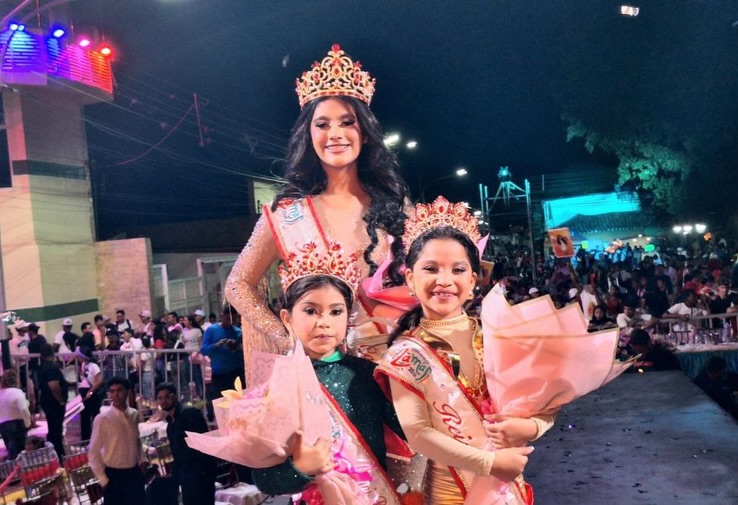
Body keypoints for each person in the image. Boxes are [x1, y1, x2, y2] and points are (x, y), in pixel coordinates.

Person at [224, 44, 411, 366]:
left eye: (347, 122)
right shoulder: (286, 215)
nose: (335, 134)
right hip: (323, 370)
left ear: (366, 133)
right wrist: (287, 336)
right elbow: (237, 285)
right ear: (308, 136)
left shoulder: (397, 206)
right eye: (322, 125)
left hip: (395, 365)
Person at [376, 198, 549, 504]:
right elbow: (419, 434)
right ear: (411, 278)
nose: (444, 280)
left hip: (508, 487)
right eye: (431, 269)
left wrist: (531, 426)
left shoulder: (497, 335)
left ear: (472, 281)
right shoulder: (405, 354)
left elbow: (545, 402)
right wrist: (490, 463)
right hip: (451, 493)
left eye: (457, 270)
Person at [250, 241, 406, 503]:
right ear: (287, 318)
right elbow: (264, 479)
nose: (324, 322)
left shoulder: (369, 374)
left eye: (335, 311)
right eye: (311, 311)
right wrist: (300, 469)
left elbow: (411, 430)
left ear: (348, 316)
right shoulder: (277, 385)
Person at [155, 382, 217, 505]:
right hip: (187, 475)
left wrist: (204, 472)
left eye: (167, 396)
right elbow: (177, 453)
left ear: (175, 396)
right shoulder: (170, 424)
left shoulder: (189, 413)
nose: (163, 401)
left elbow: (202, 443)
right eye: (160, 398)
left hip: (199, 474)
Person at [88, 377, 146, 505]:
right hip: (114, 475)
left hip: (134, 473)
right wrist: (103, 480)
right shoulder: (103, 418)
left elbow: (137, 440)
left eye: (119, 390)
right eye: (112, 391)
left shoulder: (134, 414)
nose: (116, 395)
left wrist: (142, 460)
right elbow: (93, 451)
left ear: (127, 392)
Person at [200, 305, 244, 402]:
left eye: (232, 320)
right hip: (219, 373)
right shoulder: (211, 330)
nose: (230, 322)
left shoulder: (238, 332)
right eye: (227, 319)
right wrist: (216, 345)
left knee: (239, 402)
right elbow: (203, 350)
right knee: (221, 403)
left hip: (237, 371)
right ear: (222, 316)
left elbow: (243, 351)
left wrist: (236, 347)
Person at [35, 344, 67, 458]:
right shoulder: (51, 368)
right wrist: (61, 400)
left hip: (46, 400)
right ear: (53, 353)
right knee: (56, 430)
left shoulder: (40, 367)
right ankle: (59, 455)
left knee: (53, 428)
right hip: (54, 403)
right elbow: (54, 386)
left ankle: (54, 453)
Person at [0, 369, 32, 459]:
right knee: (19, 451)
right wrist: (28, 423)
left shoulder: (1, 393)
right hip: (16, 424)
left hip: (3, 425)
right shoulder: (17, 392)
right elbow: (24, 409)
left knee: (10, 449)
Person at [76, 346, 104, 441]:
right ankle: (85, 438)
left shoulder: (94, 366)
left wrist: (91, 391)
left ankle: (98, 437)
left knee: (95, 415)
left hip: (92, 391)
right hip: (83, 391)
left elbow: (99, 380)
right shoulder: (83, 365)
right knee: (84, 416)